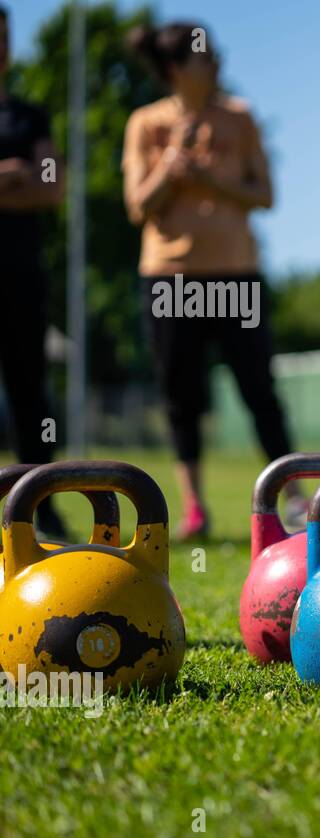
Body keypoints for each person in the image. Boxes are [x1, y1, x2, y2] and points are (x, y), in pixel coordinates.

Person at [123, 21, 300, 539]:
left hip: (236, 273)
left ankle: (294, 501)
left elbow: (265, 194)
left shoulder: (240, 117)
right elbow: (138, 206)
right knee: (181, 394)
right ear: (177, 69)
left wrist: (209, 178)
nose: (217, 62)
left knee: (259, 390)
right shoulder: (146, 124)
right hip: (170, 278)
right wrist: (171, 167)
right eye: (205, 56)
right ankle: (195, 508)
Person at [0, 3, 69, 538]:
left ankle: (37, 503)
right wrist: (10, 175)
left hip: (21, 276)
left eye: (4, 37)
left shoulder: (29, 117)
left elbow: (52, 187)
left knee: (30, 392)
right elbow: (27, 179)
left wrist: (29, 179)